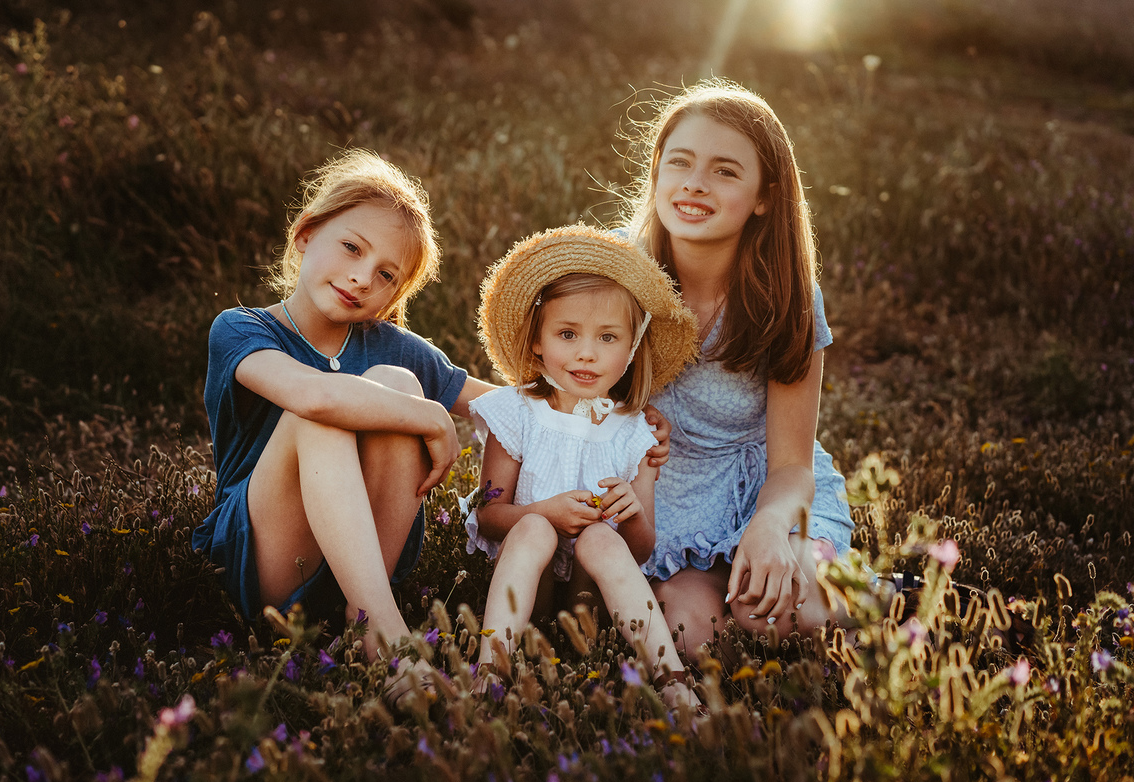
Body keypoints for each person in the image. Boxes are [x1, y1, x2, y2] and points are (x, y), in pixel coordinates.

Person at [192, 151, 671, 700]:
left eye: (386, 274)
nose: (360, 277)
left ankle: (362, 613)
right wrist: (428, 416)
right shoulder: (241, 328)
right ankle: (386, 637)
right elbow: (313, 395)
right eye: (351, 247)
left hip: (366, 561)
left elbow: (523, 405)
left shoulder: (392, 347)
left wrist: (615, 413)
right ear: (305, 234)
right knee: (326, 416)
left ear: (396, 295)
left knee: (394, 381)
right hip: (267, 560)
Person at [620, 79, 855, 656]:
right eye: (679, 162)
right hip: (669, 501)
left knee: (781, 615)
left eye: (725, 171)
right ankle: (708, 590)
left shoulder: (786, 296)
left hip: (767, 485)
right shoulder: (616, 274)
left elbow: (794, 463)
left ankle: (883, 600)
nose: (695, 184)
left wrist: (771, 526)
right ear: (656, 175)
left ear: (764, 196)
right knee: (691, 636)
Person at [466, 225, 702, 710]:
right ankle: (489, 669)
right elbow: (489, 516)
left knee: (599, 537)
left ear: (633, 349)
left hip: (588, 604)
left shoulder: (634, 431)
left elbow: (641, 548)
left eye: (608, 337)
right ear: (536, 340)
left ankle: (673, 683)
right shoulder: (516, 413)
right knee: (532, 528)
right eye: (567, 334)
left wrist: (632, 511)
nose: (587, 353)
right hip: (528, 600)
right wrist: (547, 513)